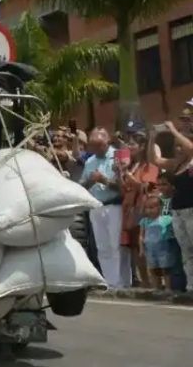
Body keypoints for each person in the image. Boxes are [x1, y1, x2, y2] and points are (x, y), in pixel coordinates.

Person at [81, 128, 128, 288]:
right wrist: (91, 182)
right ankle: (110, 282)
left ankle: (121, 283)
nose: (96, 149)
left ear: (107, 141)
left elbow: (123, 187)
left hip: (114, 205)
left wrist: (103, 180)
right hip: (96, 207)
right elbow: (82, 185)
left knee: (116, 246)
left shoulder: (117, 157)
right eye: (93, 145)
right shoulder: (90, 161)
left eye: (99, 145)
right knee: (102, 247)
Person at [148, 121, 193, 289]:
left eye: (180, 145)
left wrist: (173, 130)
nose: (178, 149)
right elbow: (155, 159)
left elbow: (191, 148)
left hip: (192, 210)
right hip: (178, 211)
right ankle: (191, 287)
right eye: (176, 146)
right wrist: (153, 139)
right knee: (187, 252)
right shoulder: (176, 164)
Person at [119, 132, 160, 287]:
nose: (129, 147)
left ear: (142, 147)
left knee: (144, 245)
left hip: (143, 209)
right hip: (129, 210)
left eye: (132, 144)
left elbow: (147, 187)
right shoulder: (130, 166)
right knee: (134, 247)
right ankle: (144, 281)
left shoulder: (149, 166)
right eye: (128, 144)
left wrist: (130, 177)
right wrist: (120, 174)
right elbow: (123, 191)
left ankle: (153, 281)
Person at [138, 191, 177, 290]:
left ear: (160, 207)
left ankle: (168, 288)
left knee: (165, 269)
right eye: (147, 208)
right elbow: (141, 236)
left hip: (164, 249)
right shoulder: (144, 221)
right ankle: (156, 287)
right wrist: (141, 249)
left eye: (152, 207)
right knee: (153, 269)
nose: (149, 210)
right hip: (150, 249)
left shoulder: (167, 219)